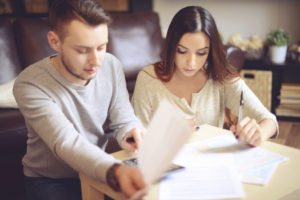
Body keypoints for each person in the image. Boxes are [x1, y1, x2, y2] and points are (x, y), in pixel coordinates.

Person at [13, 0, 147, 199]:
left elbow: (124, 119)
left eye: (101, 47)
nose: (96, 61)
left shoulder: (111, 65)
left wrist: (131, 133)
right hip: (51, 181)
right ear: (54, 41)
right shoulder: (30, 84)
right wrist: (115, 170)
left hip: (98, 168)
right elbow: (66, 142)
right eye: (82, 50)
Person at [131, 6, 278, 147]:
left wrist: (258, 133)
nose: (191, 63)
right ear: (171, 47)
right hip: (164, 168)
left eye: (201, 53)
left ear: (210, 51)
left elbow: (269, 120)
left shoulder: (220, 77)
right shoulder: (148, 80)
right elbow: (136, 141)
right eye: (182, 51)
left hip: (212, 169)